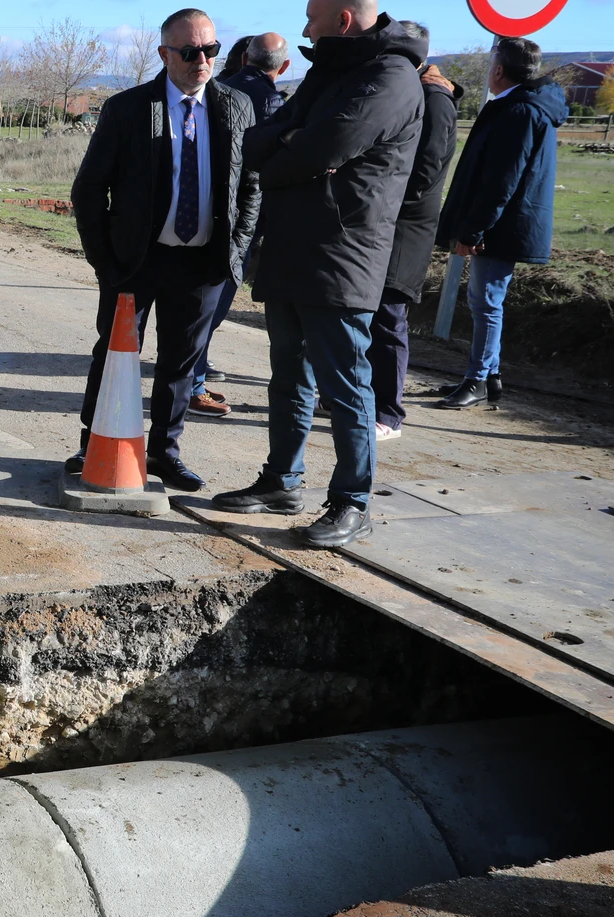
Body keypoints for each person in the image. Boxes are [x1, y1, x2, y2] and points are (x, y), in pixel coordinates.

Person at [209, 0, 424, 549]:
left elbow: (325, 146)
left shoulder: (391, 78)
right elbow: (258, 144)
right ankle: (282, 481)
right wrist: (291, 147)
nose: (305, 28)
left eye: (311, 16)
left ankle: (353, 502)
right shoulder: (330, 73)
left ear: (343, 19)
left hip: (343, 254)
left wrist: (291, 148)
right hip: (292, 249)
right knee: (289, 378)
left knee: (347, 384)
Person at [68, 8, 259, 494]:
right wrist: (104, 262)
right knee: (113, 356)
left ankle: (164, 453)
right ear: (164, 54)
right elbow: (90, 189)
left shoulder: (236, 106)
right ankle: (95, 445)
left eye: (210, 50)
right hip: (135, 260)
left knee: (180, 363)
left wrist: (235, 248)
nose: (202, 60)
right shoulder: (128, 109)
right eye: (190, 51)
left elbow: (250, 186)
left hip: (202, 263)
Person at [434, 36, 565, 410]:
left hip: (503, 225)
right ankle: (489, 377)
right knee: (486, 300)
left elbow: (501, 180)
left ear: (498, 70)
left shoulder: (520, 111)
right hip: (506, 222)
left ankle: (476, 380)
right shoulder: (524, 106)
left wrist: (475, 229)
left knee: (486, 302)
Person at [370, 27, 461, 438]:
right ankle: (359, 398)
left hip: (407, 226)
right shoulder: (409, 90)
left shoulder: (435, 100)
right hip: (384, 220)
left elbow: (426, 169)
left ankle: (388, 414)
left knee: (390, 318)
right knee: (369, 315)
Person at [198, 30, 292, 413]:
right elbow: (265, 163)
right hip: (244, 215)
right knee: (218, 295)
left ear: (243, 59)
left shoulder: (216, 89)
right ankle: (193, 379)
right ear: (284, 67)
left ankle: (193, 372)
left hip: (206, 206)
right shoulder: (271, 102)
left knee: (202, 297)